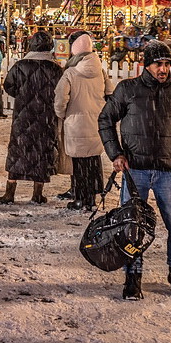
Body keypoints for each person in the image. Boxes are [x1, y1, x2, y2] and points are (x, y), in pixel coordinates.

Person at [99, 39, 171, 300]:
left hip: (168, 171)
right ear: (147, 65)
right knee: (132, 227)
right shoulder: (128, 90)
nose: (163, 69)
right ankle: (133, 276)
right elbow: (106, 120)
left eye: (167, 64)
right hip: (136, 171)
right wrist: (116, 153)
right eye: (159, 64)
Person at [0, 32, 63, 205]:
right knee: (42, 152)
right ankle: (37, 193)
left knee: (18, 151)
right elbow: (61, 91)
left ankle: (10, 192)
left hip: (23, 115)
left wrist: (23, 95)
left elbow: (8, 85)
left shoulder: (20, 66)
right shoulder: (55, 69)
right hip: (46, 116)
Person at [53, 33, 111, 210]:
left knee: (79, 163)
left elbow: (60, 98)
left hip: (76, 123)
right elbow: (110, 92)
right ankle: (93, 196)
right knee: (93, 160)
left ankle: (81, 197)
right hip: (95, 122)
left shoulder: (71, 72)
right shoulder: (100, 71)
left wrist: (62, 114)